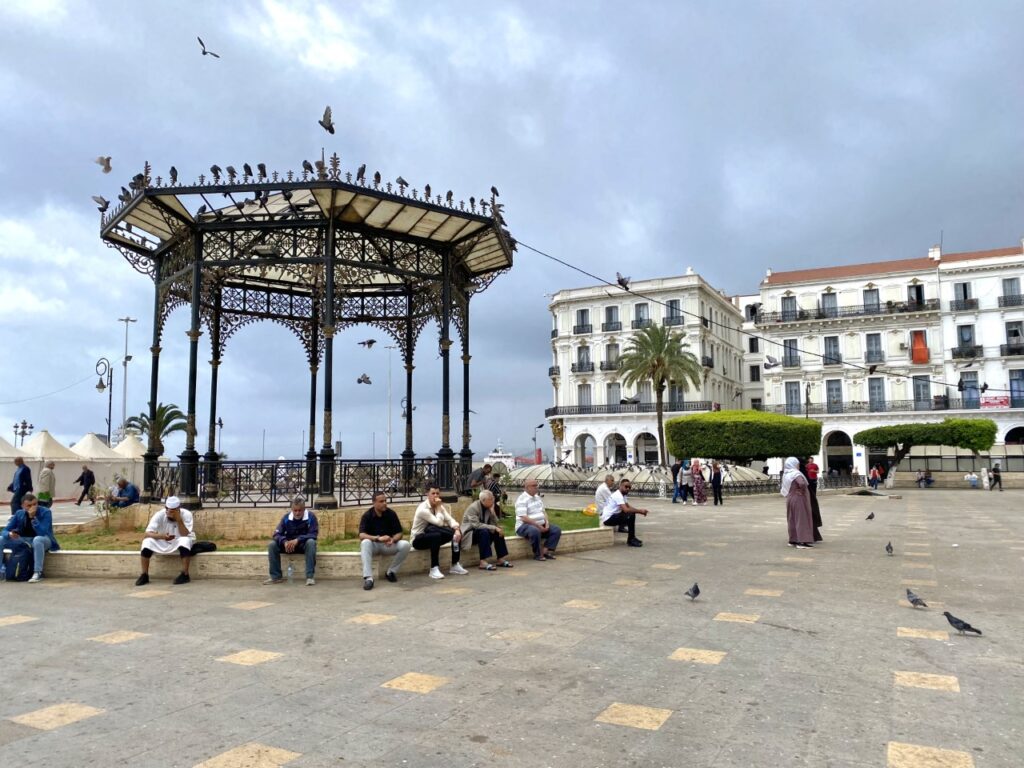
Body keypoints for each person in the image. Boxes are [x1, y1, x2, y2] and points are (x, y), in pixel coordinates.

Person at [135, 496, 195, 586]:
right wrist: (162, 536)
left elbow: (184, 534)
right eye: (168, 510)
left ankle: (185, 574)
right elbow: (147, 533)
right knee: (147, 542)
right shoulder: (160, 514)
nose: (170, 513)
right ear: (166, 508)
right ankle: (144, 575)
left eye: (173, 511)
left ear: (178, 509)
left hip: (179, 540)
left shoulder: (186, 514)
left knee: (185, 541)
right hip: (163, 540)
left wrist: (179, 519)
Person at [1, 493, 60, 582]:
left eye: (35, 504)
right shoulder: (19, 513)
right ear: (23, 506)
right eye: (29, 505)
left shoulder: (46, 512)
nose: (33, 507)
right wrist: (9, 534)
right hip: (23, 540)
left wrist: (33, 518)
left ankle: (38, 572)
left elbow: (42, 532)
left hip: (44, 539)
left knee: (37, 539)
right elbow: (4, 530)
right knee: (1, 539)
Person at [411, 485, 467, 579]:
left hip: (432, 535)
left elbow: (450, 520)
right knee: (435, 535)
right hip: (418, 539)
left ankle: (455, 564)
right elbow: (439, 523)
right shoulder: (423, 509)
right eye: (433, 493)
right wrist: (438, 508)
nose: (436, 496)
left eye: (437, 493)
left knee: (457, 533)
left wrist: (457, 529)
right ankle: (434, 568)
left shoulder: (439, 506)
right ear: (427, 494)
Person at [358, 491, 411, 589]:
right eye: (381, 501)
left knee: (406, 545)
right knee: (365, 542)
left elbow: (399, 533)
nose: (385, 503)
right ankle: (368, 578)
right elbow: (361, 535)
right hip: (374, 545)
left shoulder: (391, 514)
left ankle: (391, 572)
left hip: (388, 545)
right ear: (374, 503)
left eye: (385, 501)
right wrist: (377, 538)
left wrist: (393, 540)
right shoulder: (367, 515)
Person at [265, 495, 319, 586]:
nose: (297, 513)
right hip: (288, 546)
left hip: (302, 545)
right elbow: (276, 534)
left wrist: (298, 540)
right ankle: (276, 577)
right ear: (292, 510)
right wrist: (284, 541)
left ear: (304, 509)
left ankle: (310, 577)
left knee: (311, 542)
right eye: (295, 510)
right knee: (272, 545)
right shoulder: (286, 518)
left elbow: (313, 534)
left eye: (300, 510)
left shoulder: (311, 517)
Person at [461, 489, 513, 570]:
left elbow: (496, 523)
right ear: (483, 500)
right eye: (490, 499)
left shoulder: (489, 506)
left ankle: (500, 559)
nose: (493, 501)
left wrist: (493, 512)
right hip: (470, 534)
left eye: (493, 498)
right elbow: (477, 525)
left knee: (498, 531)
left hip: (482, 532)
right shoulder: (473, 508)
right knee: (484, 531)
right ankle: (483, 562)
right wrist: (494, 527)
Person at [514, 479, 562, 561]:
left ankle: (545, 551)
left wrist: (547, 523)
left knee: (556, 530)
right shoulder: (521, 499)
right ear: (527, 487)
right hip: (524, 526)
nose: (536, 487)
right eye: (534, 486)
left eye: (537, 485)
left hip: (540, 524)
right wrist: (538, 526)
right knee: (534, 530)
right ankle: (538, 555)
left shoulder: (537, 498)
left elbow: (544, 512)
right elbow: (524, 518)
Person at [600, 478, 647, 547]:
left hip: (613, 516)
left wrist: (640, 511)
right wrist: (640, 511)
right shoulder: (618, 495)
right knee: (630, 515)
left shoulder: (623, 495)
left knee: (631, 514)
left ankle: (632, 538)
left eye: (629, 487)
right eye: (626, 487)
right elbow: (626, 510)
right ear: (620, 486)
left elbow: (628, 507)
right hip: (608, 519)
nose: (628, 489)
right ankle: (631, 540)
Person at [781, 457, 815, 549]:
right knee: (801, 519)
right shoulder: (795, 473)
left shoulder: (786, 474)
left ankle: (793, 540)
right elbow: (802, 483)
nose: (798, 466)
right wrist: (802, 490)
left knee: (792, 519)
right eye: (797, 464)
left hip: (790, 498)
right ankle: (801, 541)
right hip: (798, 498)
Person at [804, 457, 823, 542]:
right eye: (809, 459)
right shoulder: (806, 466)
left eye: (811, 459)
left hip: (814, 478)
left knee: (813, 493)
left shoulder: (815, 465)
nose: (810, 460)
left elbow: (818, 471)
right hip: (809, 479)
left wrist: (814, 471)